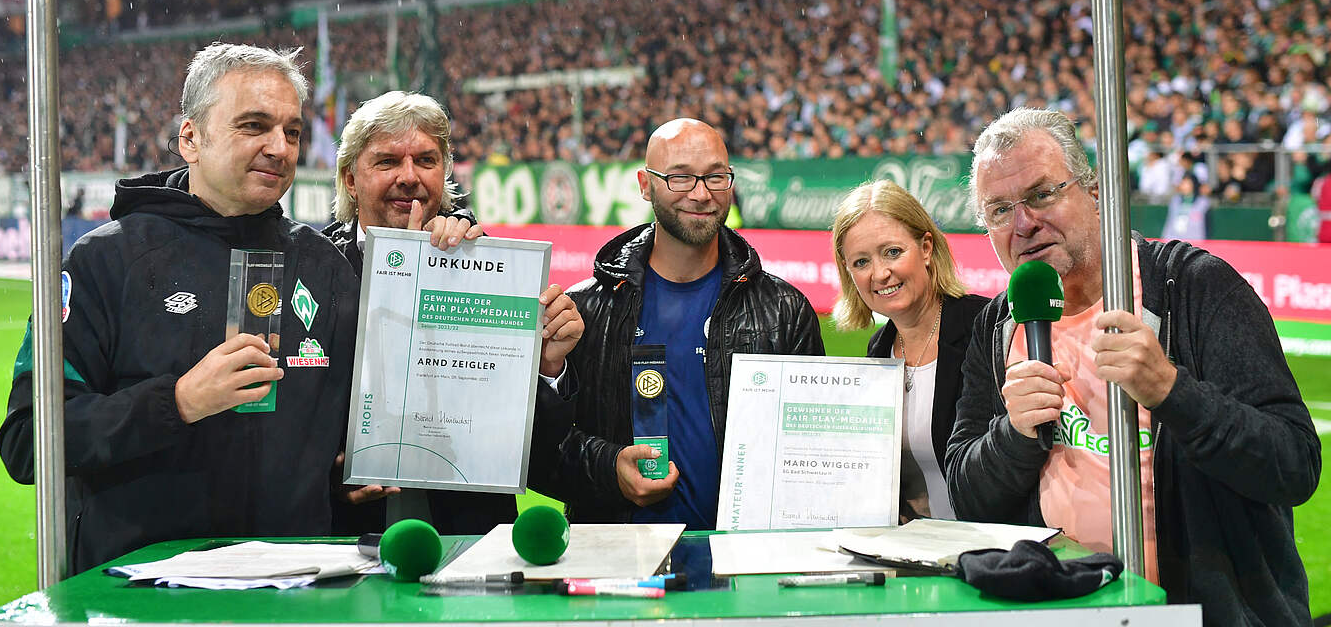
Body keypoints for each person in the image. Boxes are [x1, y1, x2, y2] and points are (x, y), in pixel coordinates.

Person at [945, 107, 1320, 626]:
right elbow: (966, 493)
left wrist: (1172, 390)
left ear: (1095, 192)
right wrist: (1012, 434)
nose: (1024, 224)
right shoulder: (999, 324)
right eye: (1000, 210)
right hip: (1062, 608)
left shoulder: (1193, 289)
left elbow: (1294, 464)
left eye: (1041, 195)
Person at [0, 42, 361, 574]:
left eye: (292, 131)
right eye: (254, 125)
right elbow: (28, 440)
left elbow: (348, 432)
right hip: (139, 593)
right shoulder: (105, 260)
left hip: (292, 590)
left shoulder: (326, 268)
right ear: (191, 138)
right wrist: (178, 402)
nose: (280, 147)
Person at [323, 90, 583, 534]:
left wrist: (548, 367)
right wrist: (328, 478)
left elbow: (541, 450)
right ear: (350, 179)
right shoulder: (317, 270)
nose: (409, 177)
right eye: (387, 162)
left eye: (426, 160)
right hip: (348, 542)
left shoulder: (489, 271)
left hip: (470, 539)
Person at [554, 117, 824, 527]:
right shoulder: (586, 310)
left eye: (716, 177)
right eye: (679, 178)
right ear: (645, 185)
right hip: (621, 567)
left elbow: (815, 452)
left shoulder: (785, 310)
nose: (701, 194)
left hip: (745, 569)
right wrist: (609, 469)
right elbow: (543, 452)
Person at [830, 180, 988, 522]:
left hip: (984, 551)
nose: (880, 274)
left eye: (892, 252)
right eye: (860, 262)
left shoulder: (984, 326)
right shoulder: (880, 350)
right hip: (910, 555)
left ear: (926, 248)